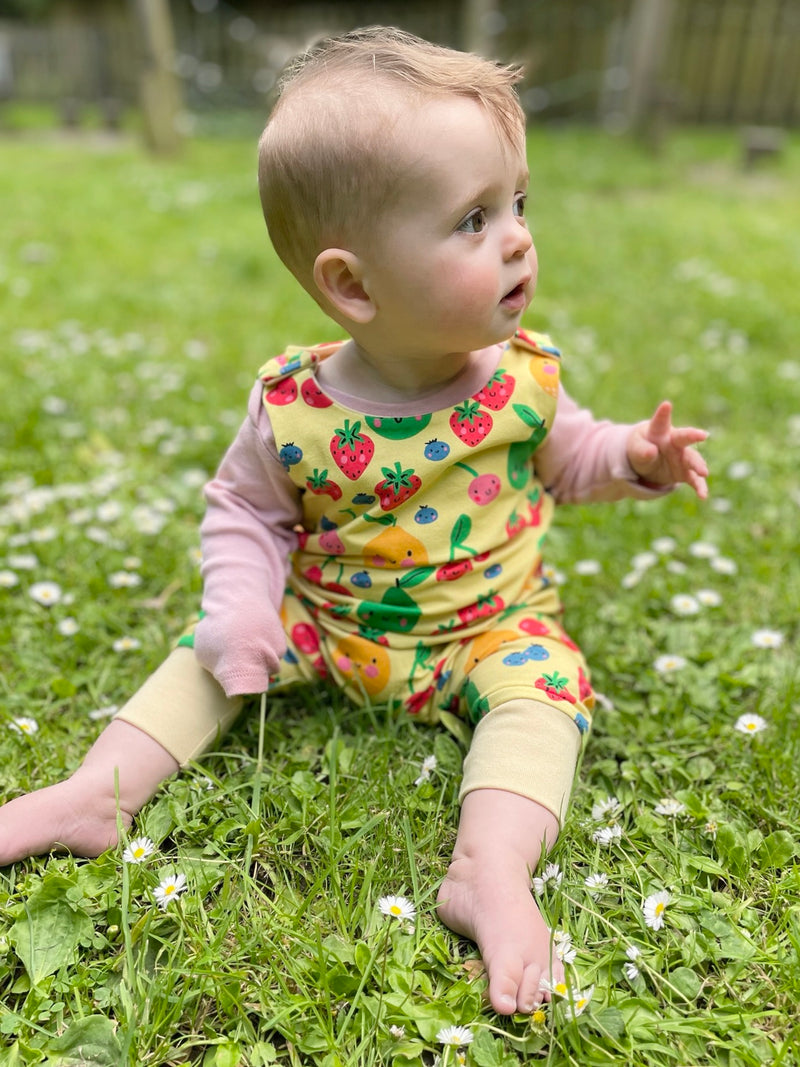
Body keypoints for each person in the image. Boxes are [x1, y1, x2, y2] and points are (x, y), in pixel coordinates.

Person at [0, 27, 709, 1016]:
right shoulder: (295, 406)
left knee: (543, 697)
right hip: (328, 623)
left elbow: (568, 455)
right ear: (352, 284)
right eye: (471, 219)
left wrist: (632, 457)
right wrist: (242, 604)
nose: (516, 237)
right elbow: (242, 507)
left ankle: (488, 866)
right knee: (206, 652)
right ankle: (96, 792)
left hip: (485, 631)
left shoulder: (523, 378)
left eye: (517, 203)